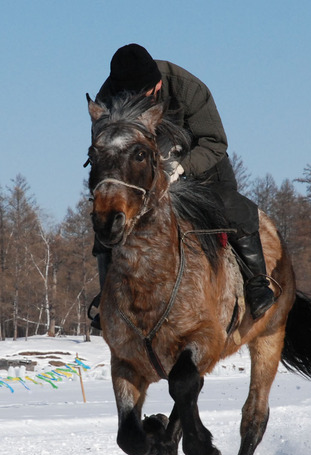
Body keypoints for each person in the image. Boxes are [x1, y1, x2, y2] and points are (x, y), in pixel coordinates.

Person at [88, 44, 275, 328]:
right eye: (129, 99)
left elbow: (215, 143)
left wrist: (181, 166)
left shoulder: (189, 88)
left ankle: (257, 282)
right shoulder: (106, 98)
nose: (136, 106)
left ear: (158, 86)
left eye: (142, 99)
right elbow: (106, 149)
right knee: (106, 220)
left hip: (200, 166)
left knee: (233, 208)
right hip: (143, 177)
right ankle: (107, 299)